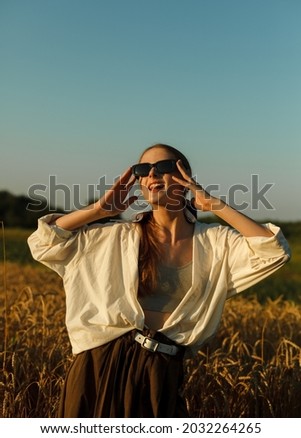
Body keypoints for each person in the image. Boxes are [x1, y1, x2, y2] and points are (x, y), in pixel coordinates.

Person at [27, 143, 290, 418]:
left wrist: (214, 205)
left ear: (186, 178)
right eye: (143, 170)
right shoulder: (115, 236)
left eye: (163, 167)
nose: (152, 174)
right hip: (99, 364)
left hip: (163, 371)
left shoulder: (216, 243)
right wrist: (97, 211)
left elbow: (273, 251)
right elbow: (44, 244)